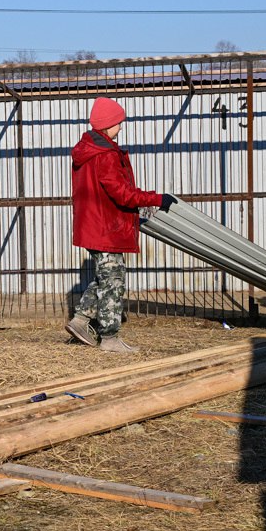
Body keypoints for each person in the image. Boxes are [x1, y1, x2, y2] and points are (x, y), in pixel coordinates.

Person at [65, 97, 170, 353]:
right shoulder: (106, 155)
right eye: (119, 123)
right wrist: (156, 198)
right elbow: (122, 194)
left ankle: (79, 321)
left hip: (93, 225)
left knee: (105, 278)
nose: (121, 127)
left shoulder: (88, 149)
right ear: (108, 124)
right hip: (106, 227)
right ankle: (110, 339)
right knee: (113, 281)